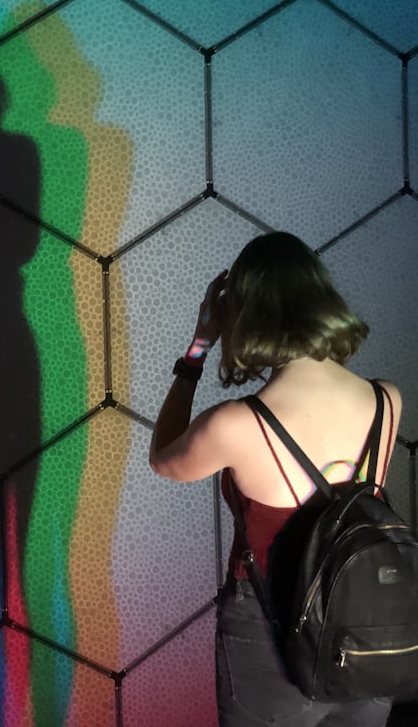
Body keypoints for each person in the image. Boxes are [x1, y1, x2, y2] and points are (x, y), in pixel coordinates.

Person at [148, 231, 402, 726]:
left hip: (270, 633)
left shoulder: (237, 424)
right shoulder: (386, 400)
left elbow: (163, 458)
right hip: (366, 625)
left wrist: (200, 345)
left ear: (247, 313)